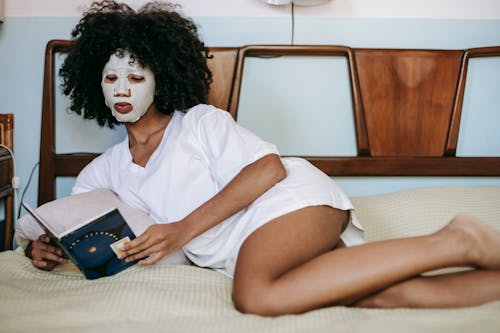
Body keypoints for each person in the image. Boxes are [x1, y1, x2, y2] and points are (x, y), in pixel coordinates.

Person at [25, 0, 500, 316]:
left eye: (135, 76)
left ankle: (454, 239)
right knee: (380, 297)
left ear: (162, 76)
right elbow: (72, 228)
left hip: (285, 204)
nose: (122, 89)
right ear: (95, 86)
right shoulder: (100, 173)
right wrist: (42, 249)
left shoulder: (199, 123)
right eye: (111, 79)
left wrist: (180, 231)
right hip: (243, 250)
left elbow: (268, 169)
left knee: (254, 296)